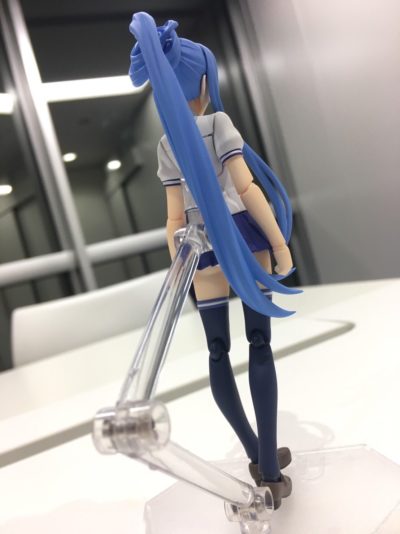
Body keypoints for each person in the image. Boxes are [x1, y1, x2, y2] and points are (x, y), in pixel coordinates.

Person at [129, 11, 299, 508]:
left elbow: (172, 218)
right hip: (244, 238)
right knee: (260, 345)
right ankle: (268, 466)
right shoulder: (219, 123)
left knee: (218, 352)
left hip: (199, 249)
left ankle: (254, 450)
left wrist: (178, 267)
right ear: (205, 82)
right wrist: (280, 243)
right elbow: (246, 189)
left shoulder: (168, 144)